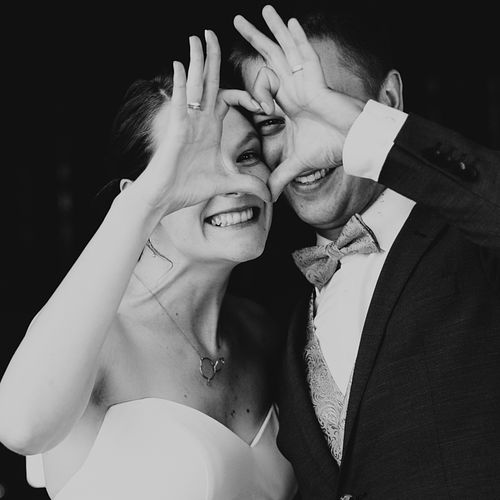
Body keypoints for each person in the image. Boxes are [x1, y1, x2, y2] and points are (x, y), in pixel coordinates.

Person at [0, 29, 297, 500]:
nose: (234, 181)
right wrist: (143, 205)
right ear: (141, 195)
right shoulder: (95, 336)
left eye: (246, 155)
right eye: (192, 167)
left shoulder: (261, 331)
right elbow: (21, 428)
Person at [229, 4, 500, 498]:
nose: (299, 143)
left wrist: (368, 134)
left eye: (318, 106)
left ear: (387, 99)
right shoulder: (276, 321)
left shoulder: (470, 240)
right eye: (271, 123)